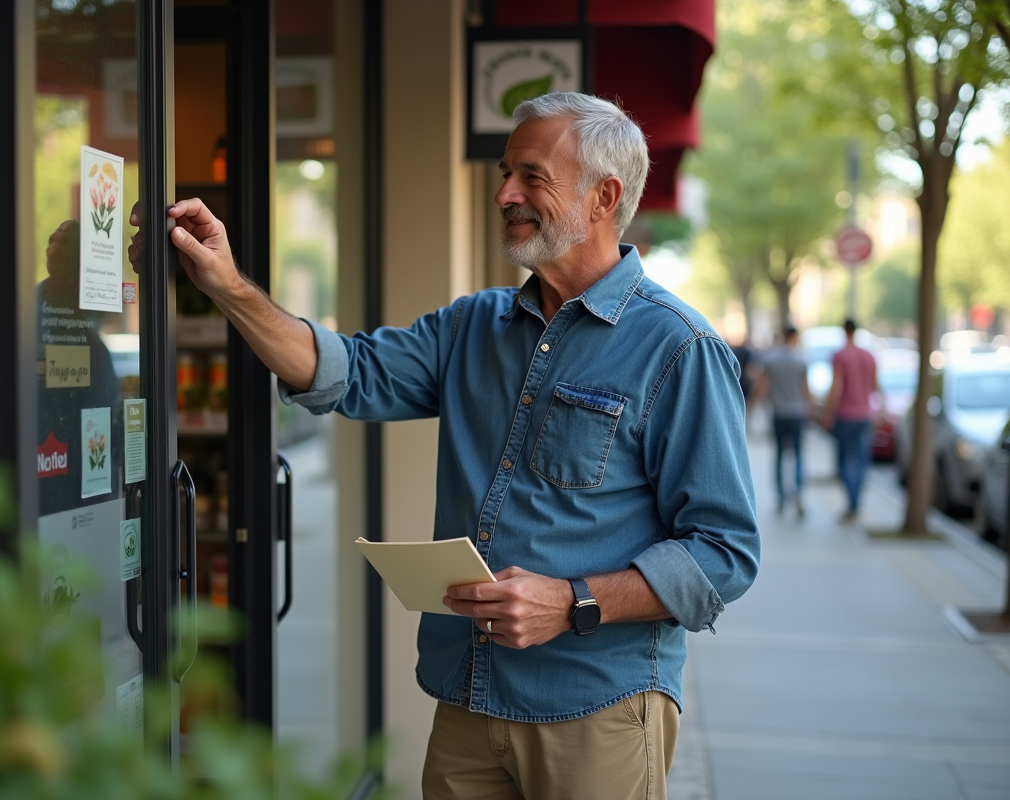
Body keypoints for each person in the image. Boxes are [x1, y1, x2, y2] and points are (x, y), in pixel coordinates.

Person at [141, 92, 760, 800]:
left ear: (604, 197)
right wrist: (228, 287)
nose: (505, 194)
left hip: (598, 711)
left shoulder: (679, 348)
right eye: (505, 174)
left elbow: (723, 553)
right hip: (466, 699)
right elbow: (345, 371)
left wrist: (573, 601)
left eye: (532, 176)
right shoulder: (473, 325)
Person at [749, 326, 814, 516]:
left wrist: (751, 406)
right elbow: (805, 388)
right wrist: (810, 409)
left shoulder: (771, 359)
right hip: (797, 413)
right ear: (795, 337)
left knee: (778, 455)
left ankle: (780, 499)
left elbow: (762, 386)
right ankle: (799, 494)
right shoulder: (802, 359)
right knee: (798, 455)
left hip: (778, 413)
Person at [823, 319, 879, 523]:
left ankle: (852, 503)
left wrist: (828, 413)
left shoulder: (840, 356)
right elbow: (875, 386)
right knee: (862, 460)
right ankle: (857, 502)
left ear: (844, 331)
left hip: (846, 415)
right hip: (865, 415)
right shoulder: (869, 356)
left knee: (846, 459)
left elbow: (836, 386)